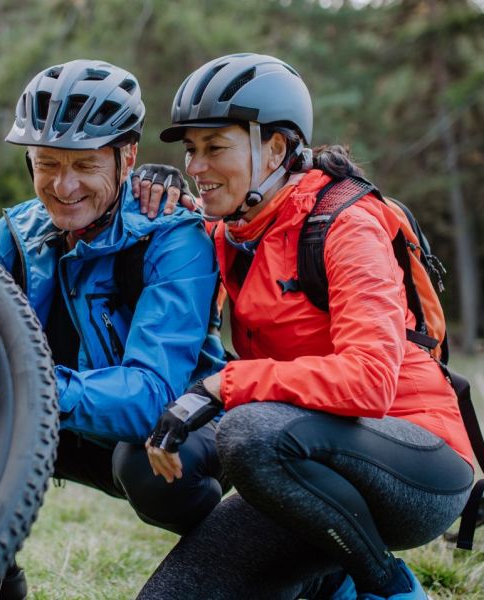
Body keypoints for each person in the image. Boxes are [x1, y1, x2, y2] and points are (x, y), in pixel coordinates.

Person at [0, 59, 227, 599]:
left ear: (127, 155)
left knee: (141, 460)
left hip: (173, 438)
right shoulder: (14, 236)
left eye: (86, 165)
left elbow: (150, 397)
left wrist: (21, 389)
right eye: (46, 164)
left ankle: (259, 552)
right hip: (65, 427)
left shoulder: (174, 237)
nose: (63, 186)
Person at [140, 52, 474, 600]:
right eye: (190, 151)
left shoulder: (345, 226)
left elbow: (369, 380)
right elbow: (151, 248)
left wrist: (226, 385)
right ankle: (328, 579)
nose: (196, 167)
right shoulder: (229, 231)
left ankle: (389, 587)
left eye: (216, 147)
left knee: (249, 431)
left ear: (276, 148)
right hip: (300, 465)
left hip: (417, 465)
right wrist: (143, 185)